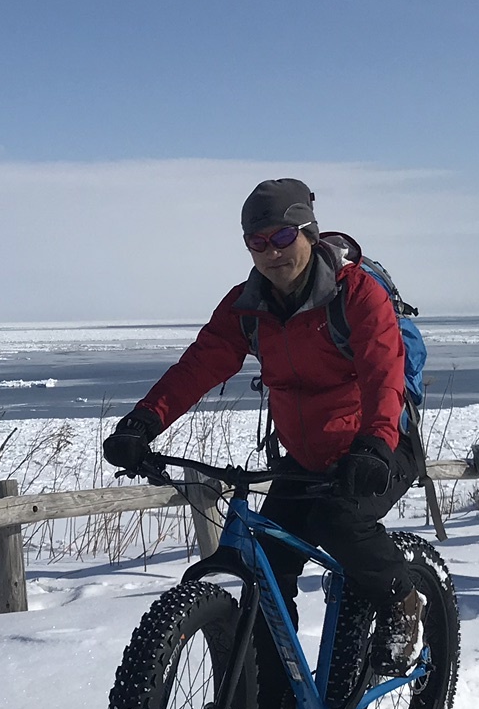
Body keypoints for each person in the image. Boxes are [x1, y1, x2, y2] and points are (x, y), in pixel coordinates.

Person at [102, 178, 425, 673]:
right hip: (305, 459)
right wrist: (144, 422)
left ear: (308, 234)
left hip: (377, 449)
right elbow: (199, 365)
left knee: (340, 521)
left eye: (281, 237)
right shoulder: (246, 307)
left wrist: (378, 446)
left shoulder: (357, 295)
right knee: (267, 570)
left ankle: (404, 601)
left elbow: (385, 376)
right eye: (258, 242)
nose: (271, 252)